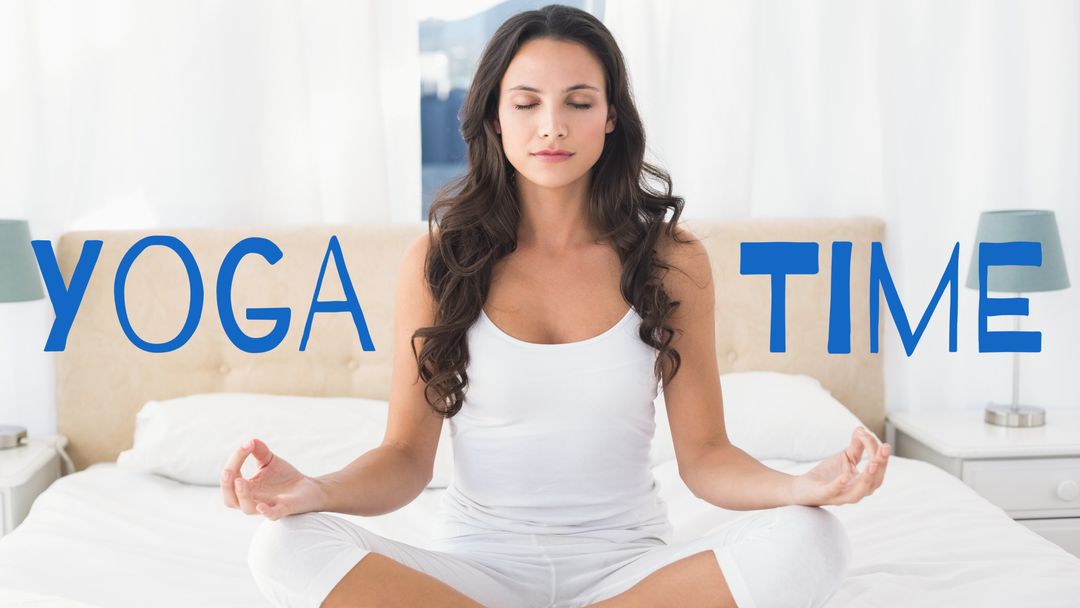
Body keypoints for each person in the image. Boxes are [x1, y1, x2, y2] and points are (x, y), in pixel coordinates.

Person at [223, 5, 892, 607]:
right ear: (493, 116)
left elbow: (708, 455)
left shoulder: (670, 258)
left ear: (609, 118)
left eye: (577, 101)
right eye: (525, 103)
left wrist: (801, 485)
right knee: (284, 547)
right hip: (477, 574)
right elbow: (403, 459)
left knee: (814, 539)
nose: (551, 126)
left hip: (632, 573)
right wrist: (316, 490)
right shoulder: (439, 259)